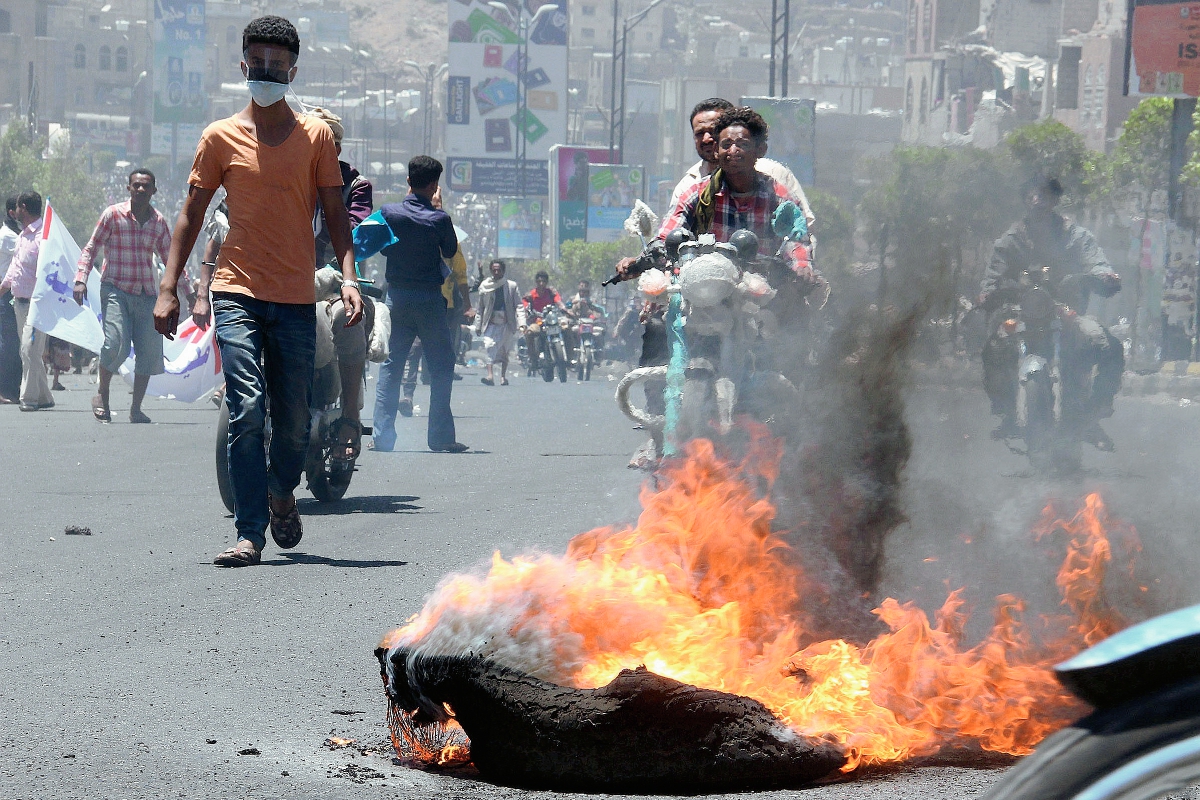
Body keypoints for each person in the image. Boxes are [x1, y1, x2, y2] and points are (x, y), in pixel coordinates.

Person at [153, 15, 363, 567]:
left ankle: (280, 491)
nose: (267, 72)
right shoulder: (219, 138)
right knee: (246, 408)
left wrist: (348, 277)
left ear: (293, 69)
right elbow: (191, 214)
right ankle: (250, 533)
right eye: (258, 63)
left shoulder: (315, 137)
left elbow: (337, 214)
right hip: (236, 289)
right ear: (243, 65)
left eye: (278, 65)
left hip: (296, 298)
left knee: (293, 420)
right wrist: (169, 287)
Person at [979, 176, 1123, 445]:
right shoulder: (1010, 241)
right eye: (1031, 195)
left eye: (1043, 195)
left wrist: (1105, 276)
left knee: (1109, 346)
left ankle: (1093, 415)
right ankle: (1006, 412)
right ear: (1024, 200)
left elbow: (1097, 263)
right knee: (993, 347)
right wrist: (987, 292)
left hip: (1067, 313)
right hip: (1020, 312)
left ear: (1055, 200)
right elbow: (992, 277)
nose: (1036, 200)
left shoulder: (1076, 236)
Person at [371, 155, 466, 453]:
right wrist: (438, 210)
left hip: (396, 297)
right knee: (441, 365)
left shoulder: (388, 213)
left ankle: (383, 436)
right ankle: (440, 437)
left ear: (408, 182)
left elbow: (380, 248)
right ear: (435, 185)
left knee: (391, 365)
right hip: (428, 300)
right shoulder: (439, 219)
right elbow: (450, 249)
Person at [74, 168, 174, 424]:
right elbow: (91, 248)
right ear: (128, 188)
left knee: (150, 353)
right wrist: (81, 280)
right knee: (115, 343)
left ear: (154, 190)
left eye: (146, 186)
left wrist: (187, 293)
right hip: (116, 289)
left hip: (146, 294)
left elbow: (171, 260)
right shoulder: (113, 215)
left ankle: (135, 408)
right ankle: (102, 394)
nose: (140, 190)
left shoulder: (159, 222)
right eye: (136, 185)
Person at [308, 107, 374, 464]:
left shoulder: (355, 185)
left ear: (337, 147)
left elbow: (350, 231)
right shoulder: (286, 176)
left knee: (346, 320)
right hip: (286, 276)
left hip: (335, 280)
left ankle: (350, 416)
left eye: (326, 142)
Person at [668, 98, 815, 230]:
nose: (707, 138)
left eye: (714, 130)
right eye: (700, 133)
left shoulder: (776, 184)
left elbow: (801, 233)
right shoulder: (691, 190)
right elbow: (669, 235)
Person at [0, 191, 53, 412]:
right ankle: (45, 396)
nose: (15, 212)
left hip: (37, 305)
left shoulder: (44, 236)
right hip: (19, 303)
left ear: (23, 207)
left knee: (28, 349)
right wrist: (3, 288)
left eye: (18, 208)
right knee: (28, 350)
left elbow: (48, 269)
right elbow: (15, 267)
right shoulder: (23, 235)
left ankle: (28, 398)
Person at [474, 259, 523, 386]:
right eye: (494, 270)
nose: (496, 272)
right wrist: (478, 326)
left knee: (503, 350)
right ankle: (490, 376)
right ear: (491, 270)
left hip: (506, 323)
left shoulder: (511, 286)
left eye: (499, 270)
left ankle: (503, 377)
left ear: (503, 271)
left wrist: (522, 323)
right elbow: (480, 308)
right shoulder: (485, 286)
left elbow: (519, 305)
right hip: (490, 322)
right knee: (489, 346)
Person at [521, 270, 565, 372]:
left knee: (567, 329)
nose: (541, 283)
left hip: (552, 321)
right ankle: (533, 359)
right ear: (536, 282)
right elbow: (524, 302)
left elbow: (558, 301)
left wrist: (563, 308)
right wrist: (526, 309)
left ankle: (570, 358)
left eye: (544, 281)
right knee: (530, 333)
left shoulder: (551, 293)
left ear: (546, 282)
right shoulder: (531, 294)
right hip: (537, 321)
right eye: (539, 281)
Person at [0, 197, 20, 403]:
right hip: (6, 295)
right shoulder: (8, 237)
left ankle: (12, 389)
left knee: (13, 343)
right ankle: (5, 389)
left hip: (11, 294)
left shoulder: (13, 234)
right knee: (8, 343)